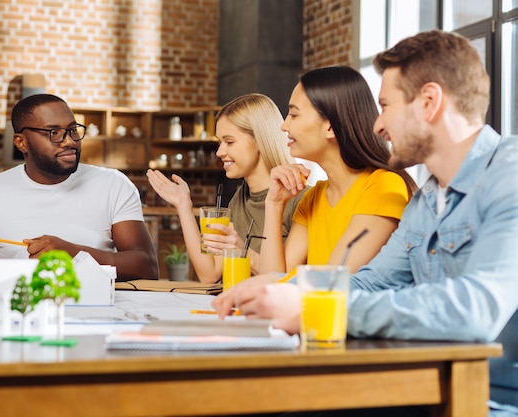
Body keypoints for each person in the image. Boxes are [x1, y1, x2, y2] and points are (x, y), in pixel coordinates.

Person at [213, 30, 518, 416]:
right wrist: (277, 286)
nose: (376, 125)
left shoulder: (510, 176)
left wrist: (308, 307)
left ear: (429, 102)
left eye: (386, 105)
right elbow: (371, 281)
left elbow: (476, 308)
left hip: (490, 402)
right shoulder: (427, 200)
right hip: (430, 389)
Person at [0, 93, 159, 282]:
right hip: (20, 314)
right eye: (53, 132)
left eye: (72, 130)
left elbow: (147, 268)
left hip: (97, 311)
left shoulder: (114, 185)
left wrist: (72, 253)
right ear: (21, 142)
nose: (69, 141)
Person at [258, 65, 417, 277]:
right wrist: (274, 204)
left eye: (293, 115)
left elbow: (331, 284)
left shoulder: (383, 186)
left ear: (330, 126)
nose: (284, 126)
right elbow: (273, 279)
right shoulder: (314, 197)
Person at [146, 93, 306, 283]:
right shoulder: (241, 196)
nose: (220, 152)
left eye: (229, 142)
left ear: (260, 140)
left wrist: (241, 249)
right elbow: (210, 274)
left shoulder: (302, 199)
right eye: (219, 142)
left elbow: (282, 282)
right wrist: (183, 206)